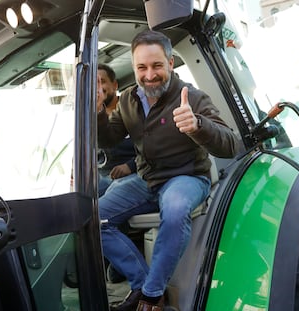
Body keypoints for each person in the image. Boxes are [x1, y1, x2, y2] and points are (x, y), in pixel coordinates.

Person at [96, 30, 237, 311]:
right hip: (147, 180)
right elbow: (109, 138)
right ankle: (143, 285)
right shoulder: (127, 100)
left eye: (157, 65)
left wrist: (198, 124)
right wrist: (99, 109)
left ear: (170, 64)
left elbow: (230, 144)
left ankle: (151, 294)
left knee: (174, 209)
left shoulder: (192, 97)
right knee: (94, 218)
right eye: (142, 67)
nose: (149, 75)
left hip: (186, 177)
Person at [97, 63, 137, 196]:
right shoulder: (88, 118)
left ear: (115, 85)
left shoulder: (133, 108)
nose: (97, 88)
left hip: (132, 175)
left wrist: (130, 166)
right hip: (101, 177)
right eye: (92, 84)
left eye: (101, 82)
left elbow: (152, 146)